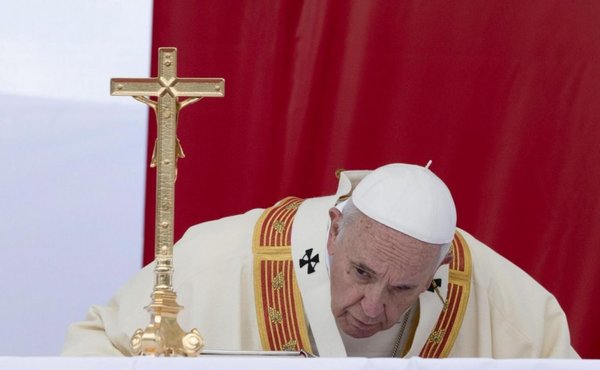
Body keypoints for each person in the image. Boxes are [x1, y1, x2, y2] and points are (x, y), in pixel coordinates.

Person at [62, 163, 579, 358]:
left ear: (438, 271)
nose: (374, 308)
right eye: (362, 273)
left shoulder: (495, 293)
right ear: (334, 231)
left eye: (404, 289)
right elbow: (95, 347)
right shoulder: (222, 258)